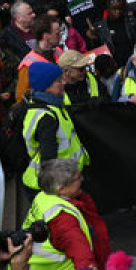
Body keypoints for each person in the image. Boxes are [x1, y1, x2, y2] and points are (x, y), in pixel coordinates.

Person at [22, 159, 110, 270]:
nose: (82, 180)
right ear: (61, 189)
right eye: (77, 178)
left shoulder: (44, 196)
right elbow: (77, 246)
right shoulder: (63, 219)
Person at [19, 62, 90, 196]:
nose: (64, 82)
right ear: (46, 87)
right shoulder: (47, 117)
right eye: (58, 80)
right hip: (53, 185)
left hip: (61, 180)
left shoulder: (53, 105)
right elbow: (49, 161)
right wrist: (59, 190)